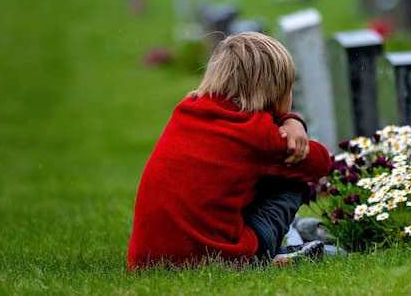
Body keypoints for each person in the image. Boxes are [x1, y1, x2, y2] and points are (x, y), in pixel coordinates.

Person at [127, 32, 331, 270]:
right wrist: (292, 120)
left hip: (145, 260)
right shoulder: (256, 134)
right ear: (275, 93)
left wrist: (287, 121)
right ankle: (263, 257)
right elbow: (320, 163)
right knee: (292, 183)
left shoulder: (188, 110)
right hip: (219, 259)